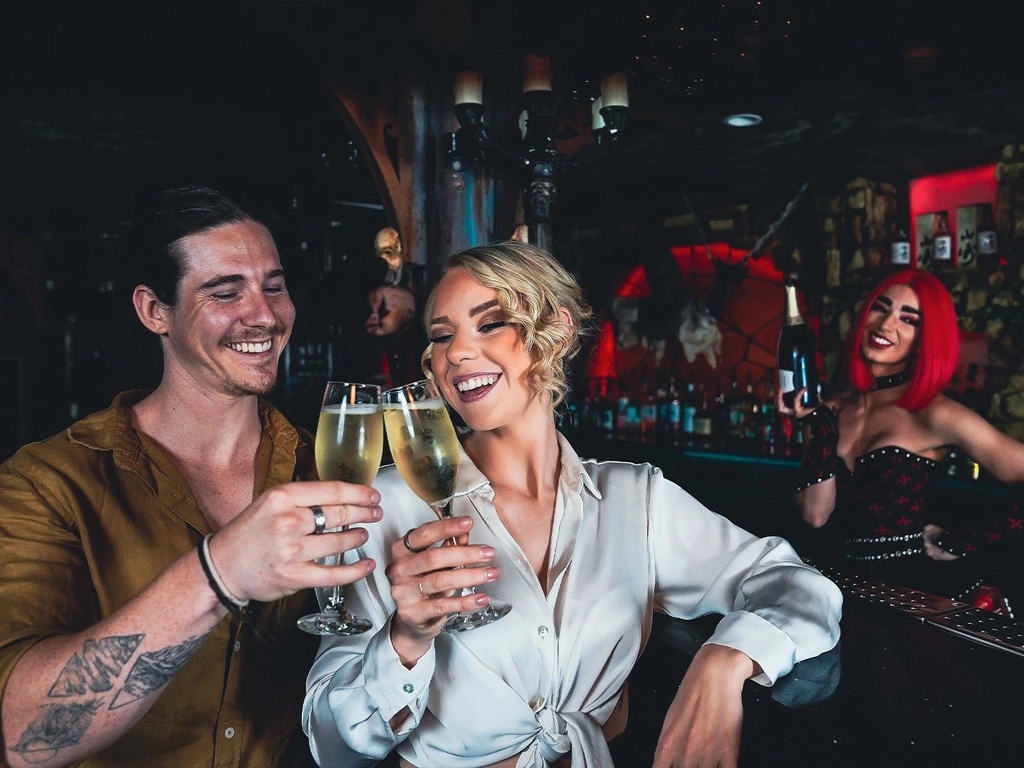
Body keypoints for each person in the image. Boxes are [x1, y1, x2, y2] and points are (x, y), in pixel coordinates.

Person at [303, 241, 842, 768]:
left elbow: (796, 583)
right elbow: (330, 744)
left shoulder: (635, 500)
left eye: (490, 323)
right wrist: (406, 640)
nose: (457, 352)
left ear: (556, 332)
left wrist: (725, 661)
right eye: (441, 337)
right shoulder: (386, 505)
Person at [0, 186, 383, 768]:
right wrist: (218, 571)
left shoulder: (326, 469)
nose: (265, 315)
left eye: (274, 286)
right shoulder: (48, 482)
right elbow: (20, 736)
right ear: (155, 310)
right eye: (225, 293)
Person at [780, 268, 1024, 603]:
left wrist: (964, 540)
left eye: (909, 319)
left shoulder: (936, 413)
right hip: (840, 590)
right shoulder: (830, 410)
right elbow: (816, 514)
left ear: (925, 339)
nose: (886, 325)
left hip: (916, 593)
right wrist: (821, 426)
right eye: (881, 308)